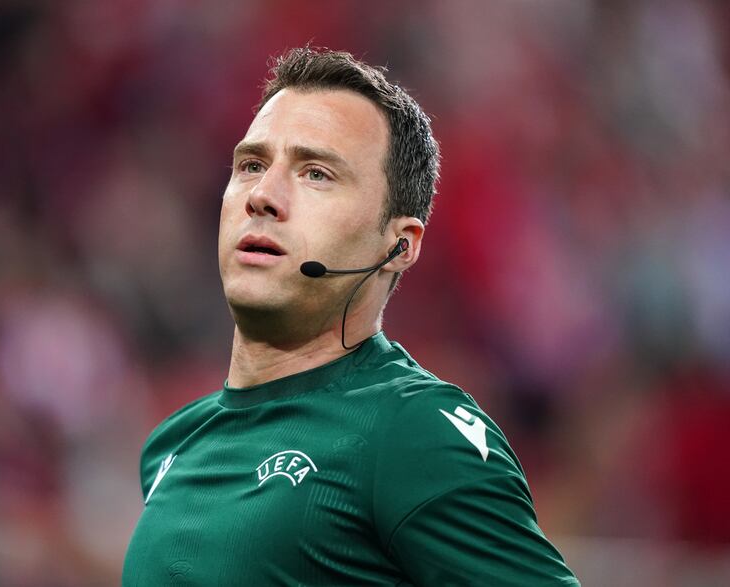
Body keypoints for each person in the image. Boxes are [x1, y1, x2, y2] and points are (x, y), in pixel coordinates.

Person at [122, 47, 580, 586]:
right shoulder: (173, 445)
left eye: (316, 173)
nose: (263, 196)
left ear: (400, 245)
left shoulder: (413, 433)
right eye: (250, 165)